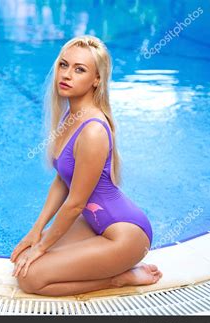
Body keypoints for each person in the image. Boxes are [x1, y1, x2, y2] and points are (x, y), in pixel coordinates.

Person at [10, 35, 162, 297]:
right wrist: (35, 232)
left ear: (96, 80)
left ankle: (119, 279)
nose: (67, 75)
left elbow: (76, 203)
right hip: (93, 222)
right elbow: (62, 180)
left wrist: (43, 247)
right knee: (23, 257)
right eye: (64, 65)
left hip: (125, 236)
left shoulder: (93, 130)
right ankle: (107, 269)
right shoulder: (71, 116)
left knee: (31, 279)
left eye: (79, 69)